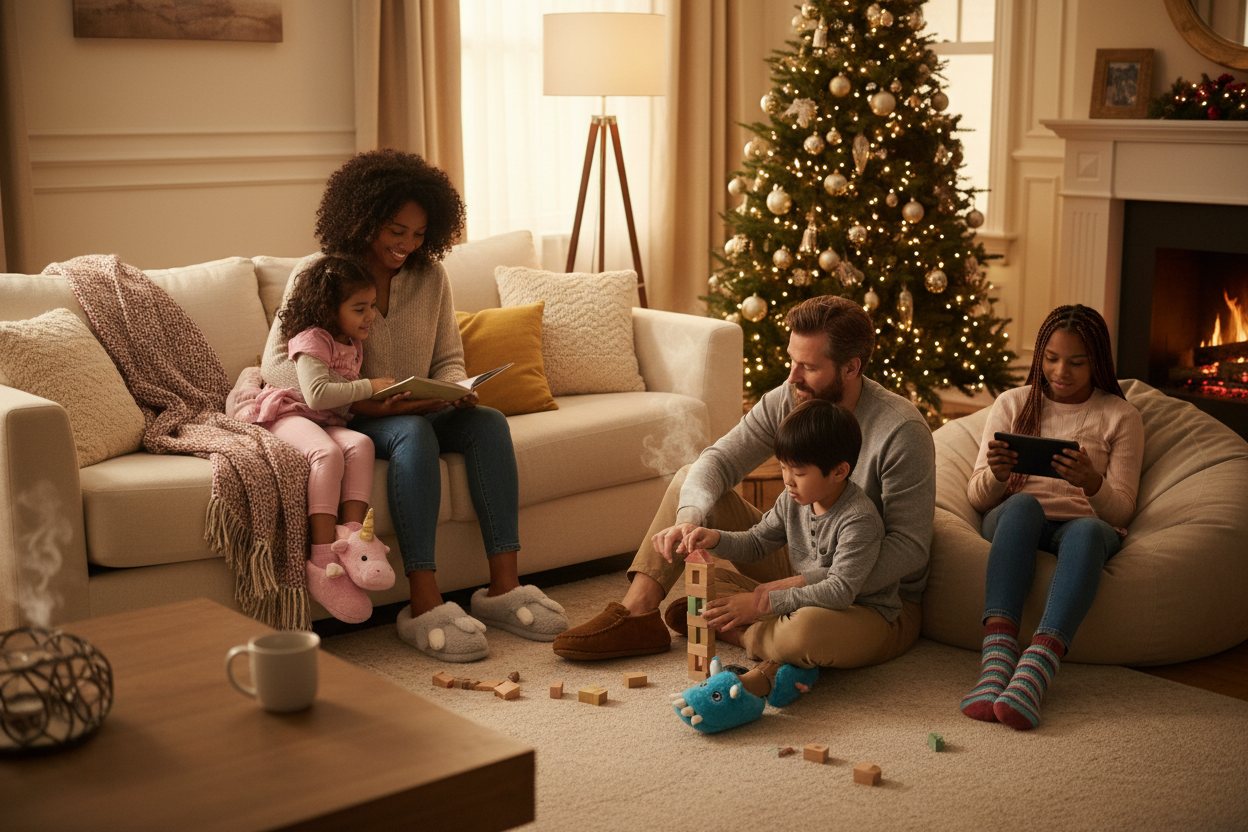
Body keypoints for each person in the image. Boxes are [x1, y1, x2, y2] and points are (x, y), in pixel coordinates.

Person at [262, 149, 567, 662]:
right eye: (395, 230)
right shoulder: (322, 273)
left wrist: (454, 388)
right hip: (355, 414)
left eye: (419, 234)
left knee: (487, 422)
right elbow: (277, 363)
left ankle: (503, 589)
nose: (406, 245)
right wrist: (362, 393)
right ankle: (424, 603)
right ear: (363, 218)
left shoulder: (432, 278)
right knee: (412, 434)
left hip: (418, 405)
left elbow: (448, 357)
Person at [553, 295, 936, 671]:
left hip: (875, 598)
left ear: (851, 368)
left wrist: (793, 588)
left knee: (803, 636)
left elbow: (909, 548)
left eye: (809, 366)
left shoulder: (901, 431)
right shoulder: (791, 397)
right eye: (791, 360)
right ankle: (637, 613)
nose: (792, 377)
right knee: (694, 479)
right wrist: (690, 520)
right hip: (802, 557)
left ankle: (743, 627)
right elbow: (719, 462)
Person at [959, 304, 1144, 730]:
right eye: (1051, 359)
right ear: (1040, 355)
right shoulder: (1014, 403)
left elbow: (1122, 510)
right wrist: (999, 474)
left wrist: (1092, 483)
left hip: (1084, 525)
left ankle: (1035, 670)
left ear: (1097, 362)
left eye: (1077, 362)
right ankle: (997, 661)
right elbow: (976, 495)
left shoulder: (1121, 415)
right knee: (1025, 505)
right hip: (1016, 519)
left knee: (1088, 531)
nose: (1061, 372)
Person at [676, 398, 897, 699]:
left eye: (800, 473)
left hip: (860, 613)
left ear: (839, 471)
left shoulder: (858, 519)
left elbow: (840, 592)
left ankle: (748, 635)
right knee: (706, 587)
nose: (788, 481)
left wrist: (761, 605)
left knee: (802, 631)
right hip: (804, 603)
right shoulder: (792, 499)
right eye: (783, 468)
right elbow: (757, 542)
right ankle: (758, 636)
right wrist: (715, 538)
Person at [246, 254, 391, 625]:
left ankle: (354, 537)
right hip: (289, 413)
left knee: (361, 444)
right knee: (327, 454)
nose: (370, 316)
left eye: (372, 305)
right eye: (360, 308)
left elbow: (336, 404)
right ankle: (323, 556)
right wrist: (369, 386)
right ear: (330, 310)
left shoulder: (353, 339)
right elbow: (317, 394)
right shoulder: (314, 338)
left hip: (324, 419)